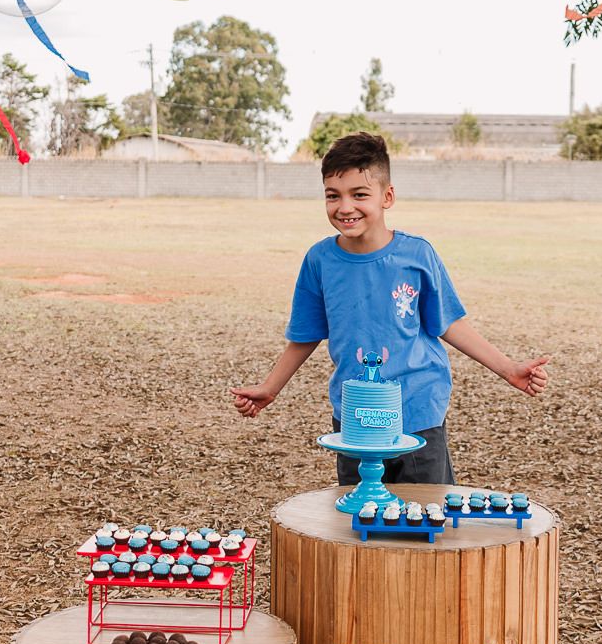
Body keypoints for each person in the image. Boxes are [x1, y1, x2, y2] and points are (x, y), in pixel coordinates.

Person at [232, 132, 549, 484]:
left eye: (359, 194)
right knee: (362, 520)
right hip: (356, 416)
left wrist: (508, 369)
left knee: (424, 519)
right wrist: (270, 388)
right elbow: (305, 335)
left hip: (417, 410)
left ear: (387, 196)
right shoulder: (319, 260)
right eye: (333, 196)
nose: (345, 207)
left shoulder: (417, 255)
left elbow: (448, 323)